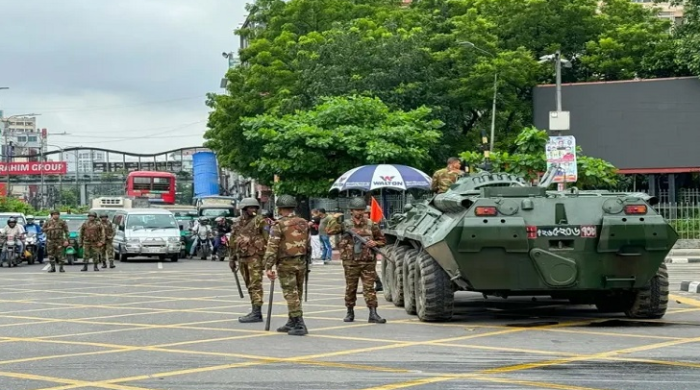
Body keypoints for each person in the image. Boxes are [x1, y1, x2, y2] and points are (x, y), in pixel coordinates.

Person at [325, 197, 387, 324]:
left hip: (367, 262)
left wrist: (374, 242)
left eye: (361, 210)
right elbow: (329, 231)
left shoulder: (371, 224)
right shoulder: (345, 224)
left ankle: (373, 313)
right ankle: (350, 312)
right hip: (351, 262)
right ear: (351, 211)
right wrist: (333, 218)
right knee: (351, 288)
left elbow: (382, 241)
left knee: (369, 288)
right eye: (356, 210)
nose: (359, 213)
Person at [263, 194, 310, 336]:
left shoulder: (279, 224)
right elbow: (308, 244)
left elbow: (272, 245)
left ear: (280, 208)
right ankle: (292, 321)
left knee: (290, 293)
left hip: (286, 262)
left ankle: (299, 323)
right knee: (297, 293)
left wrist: (268, 266)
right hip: (301, 262)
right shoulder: (303, 222)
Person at [231, 197, 269, 323]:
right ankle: (254, 309)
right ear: (244, 209)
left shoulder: (260, 221)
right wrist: (231, 258)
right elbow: (232, 241)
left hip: (255, 257)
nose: (253, 210)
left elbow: (267, 239)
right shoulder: (237, 223)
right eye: (250, 208)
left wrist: (268, 259)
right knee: (249, 285)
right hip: (242, 257)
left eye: (255, 208)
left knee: (255, 284)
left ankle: (257, 312)